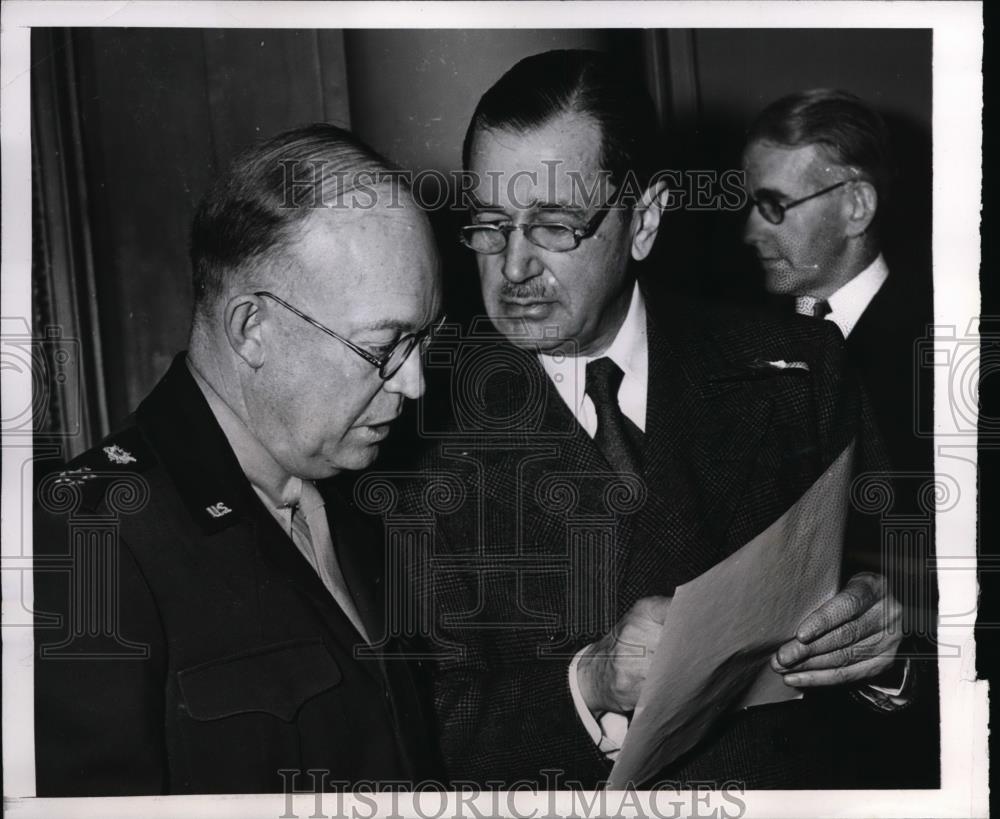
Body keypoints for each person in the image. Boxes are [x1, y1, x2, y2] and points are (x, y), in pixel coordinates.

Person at [387, 50, 911, 790]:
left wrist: (889, 643)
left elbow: (917, 607)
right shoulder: (408, 433)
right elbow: (407, 738)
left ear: (645, 220)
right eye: (490, 225)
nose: (512, 268)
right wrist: (586, 686)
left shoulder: (797, 369)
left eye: (555, 226)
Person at [33, 124, 444, 795]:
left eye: (423, 337)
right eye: (384, 345)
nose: (413, 382)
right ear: (253, 328)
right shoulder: (86, 538)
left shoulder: (356, 498)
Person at [742, 89, 938, 786]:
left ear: (856, 205)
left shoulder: (946, 353)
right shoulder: (738, 350)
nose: (749, 233)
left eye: (772, 207)